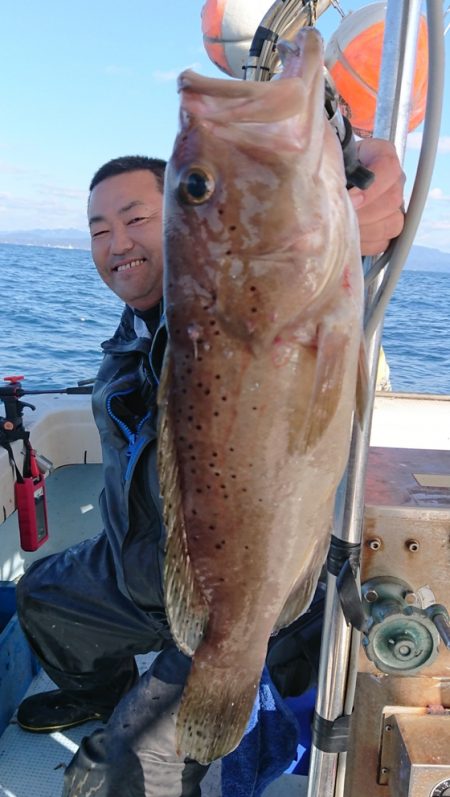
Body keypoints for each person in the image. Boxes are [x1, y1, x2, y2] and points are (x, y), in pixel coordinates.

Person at [16, 139, 405, 797]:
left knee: (124, 773)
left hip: (227, 584)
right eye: (99, 229)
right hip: (138, 566)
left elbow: (266, 296)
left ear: (180, 222)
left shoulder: (210, 315)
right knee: (40, 597)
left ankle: (163, 732)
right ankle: (108, 697)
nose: (117, 242)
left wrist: (341, 218)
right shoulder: (131, 330)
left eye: (137, 219)